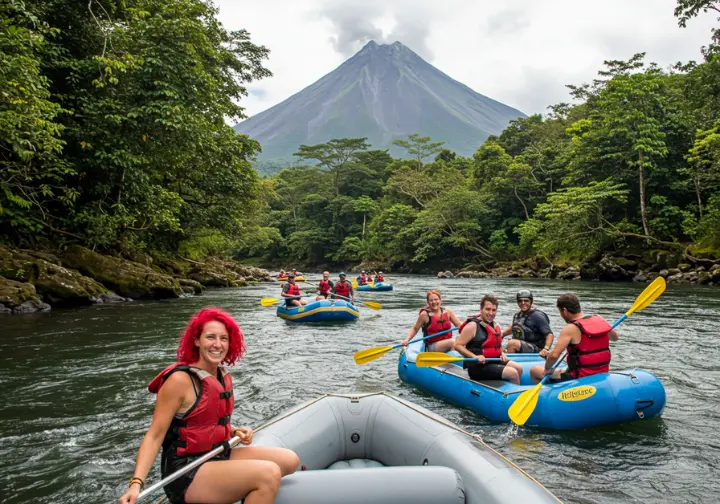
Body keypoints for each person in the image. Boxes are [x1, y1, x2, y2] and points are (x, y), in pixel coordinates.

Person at [118, 308, 299, 504]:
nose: (217, 344)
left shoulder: (220, 374)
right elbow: (155, 435)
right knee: (268, 473)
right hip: (186, 471)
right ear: (196, 341)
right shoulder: (180, 380)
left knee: (290, 460)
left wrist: (234, 431)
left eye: (224, 338)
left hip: (216, 455)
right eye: (210, 337)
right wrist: (136, 483)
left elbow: (204, 424)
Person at [530, 293, 619, 384]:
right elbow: (615, 338)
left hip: (579, 377)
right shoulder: (600, 319)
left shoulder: (570, 328)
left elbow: (554, 356)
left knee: (534, 371)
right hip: (601, 373)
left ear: (564, 310)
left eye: (560, 311)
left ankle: (546, 396)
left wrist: (547, 368)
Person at [454, 294, 524, 384]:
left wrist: (501, 353)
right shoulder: (472, 326)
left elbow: (494, 345)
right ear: (481, 309)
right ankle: (514, 396)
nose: (491, 313)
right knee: (513, 373)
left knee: (519, 368)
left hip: (494, 361)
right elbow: (457, 345)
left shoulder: (495, 325)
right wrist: (475, 357)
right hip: (477, 367)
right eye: (488, 309)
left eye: (493, 310)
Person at [502, 290, 554, 357]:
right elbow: (514, 327)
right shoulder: (517, 315)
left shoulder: (537, 316)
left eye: (526, 301)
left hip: (537, 349)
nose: (523, 303)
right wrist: (501, 334)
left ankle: (507, 363)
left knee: (512, 343)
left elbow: (549, 335)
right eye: (520, 301)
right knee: (506, 341)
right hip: (523, 346)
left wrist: (546, 349)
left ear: (531, 302)